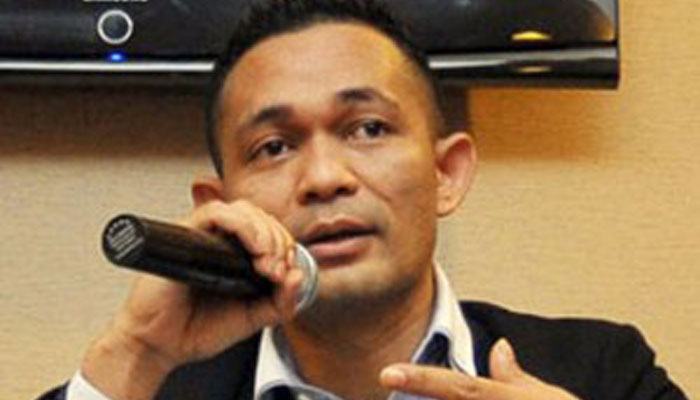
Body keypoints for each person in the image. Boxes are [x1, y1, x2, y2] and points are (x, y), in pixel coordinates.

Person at [38, 1, 687, 400]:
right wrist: (137, 352)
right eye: (273, 146)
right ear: (221, 204)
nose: (324, 178)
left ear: (446, 173)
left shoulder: (602, 372)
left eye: (368, 129)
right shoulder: (150, 388)